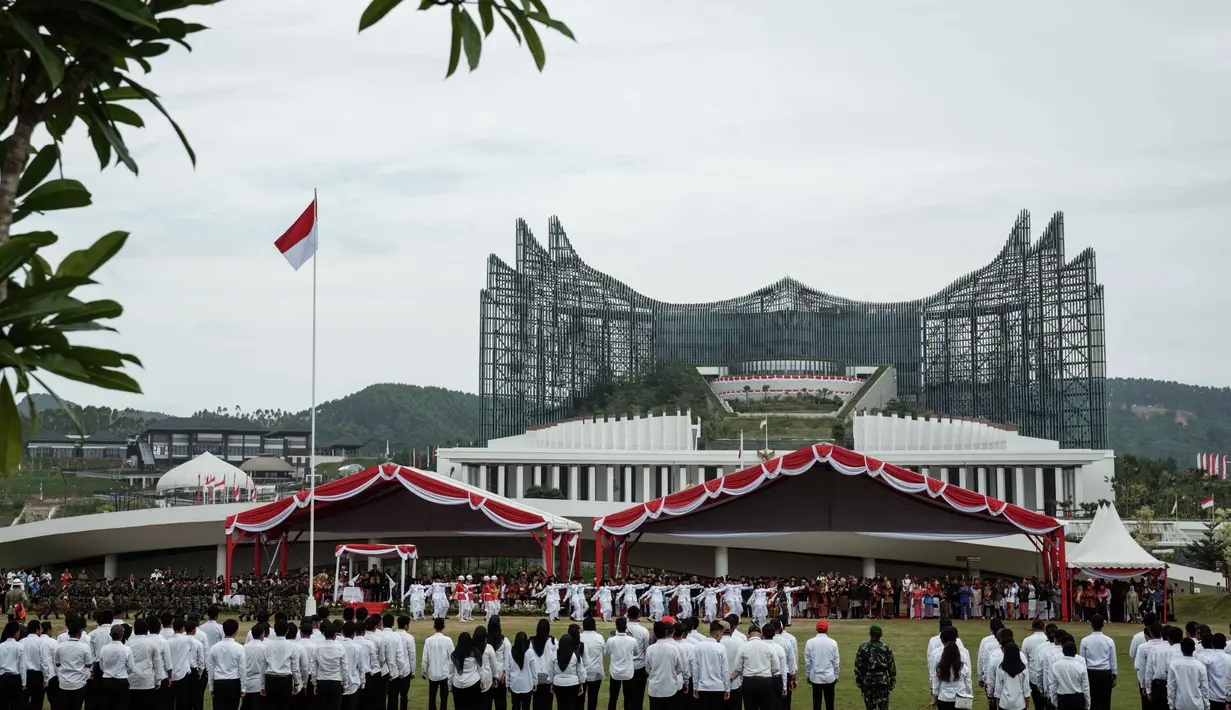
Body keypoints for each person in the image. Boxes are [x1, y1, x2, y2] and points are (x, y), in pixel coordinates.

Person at [730, 624, 785, 710]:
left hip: (749, 681)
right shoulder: (769, 647)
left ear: (749, 635)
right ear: (760, 634)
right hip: (765, 681)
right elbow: (776, 667)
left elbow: (738, 667)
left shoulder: (743, 647)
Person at [1078, 615, 1116, 710]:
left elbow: (1082, 660)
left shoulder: (1085, 641)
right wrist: (1114, 675)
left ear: (1091, 625)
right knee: (1105, 701)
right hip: (1105, 673)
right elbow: (1113, 660)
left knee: (1092, 701)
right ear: (1103, 625)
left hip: (1090, 672)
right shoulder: (1109, 640)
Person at [853, 625, 895, 710]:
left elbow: (858, 666)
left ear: (870, 634)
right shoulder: (886, 648)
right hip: (882, 682)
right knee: (883, 707)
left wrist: (859, 681)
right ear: (880, 635)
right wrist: (892, 680)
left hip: (868, 682)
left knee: (870, 707)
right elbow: (891, 666)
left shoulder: (862, 648)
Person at [690, 621, 730, 710]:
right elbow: (725, 670)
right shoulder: (721, 647)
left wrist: (695, 686)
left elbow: (695, 668)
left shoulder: (698, 646)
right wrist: (727, 688)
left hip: (703, 687)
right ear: (719, 633)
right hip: (717, 687)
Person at [53, 619, 92, 710]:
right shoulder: (84, 647)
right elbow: (89, 664)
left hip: (63, 684)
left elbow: (57, 663)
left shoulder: (60, 646)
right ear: (80, 634)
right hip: (78, 683)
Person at [128, 620, 167, 710]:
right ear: (147, 630)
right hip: (147, 681)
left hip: (131, 681)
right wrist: (158, 681)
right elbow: (157, 663)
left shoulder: (128, 643)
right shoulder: (152, 643)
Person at [207, 620, 245, 710]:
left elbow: (211, 669)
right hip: (233, 683)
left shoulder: (214, 648)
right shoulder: (239, 648)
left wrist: (211, 687)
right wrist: (243, 687)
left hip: (219, 682)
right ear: (236, 631)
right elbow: (242, 669)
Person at [931, 627, 972, 710]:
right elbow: (968, 680)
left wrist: (935, 696)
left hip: (944, 698)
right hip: (960, 696)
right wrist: (969, 695)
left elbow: (935, 681)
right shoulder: (964, 656)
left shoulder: (938, 660)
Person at [644, 623, 681, 710]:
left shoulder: (650, 649)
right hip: (669, 688)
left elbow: (647, 668)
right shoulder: (673, 648)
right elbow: (679, 668)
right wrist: (670, 674)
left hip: (655, 688)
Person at [803, 621, 838, 710]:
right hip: (829, 676)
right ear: (827, 630)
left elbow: (808, 662)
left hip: (815, 676)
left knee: (816, 703)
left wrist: (808, 675)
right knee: (830, 703)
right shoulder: (833, 643)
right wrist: (836, 675)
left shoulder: (810, 642)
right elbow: (836, 662)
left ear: (816, 629)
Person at [314, 621, 349, 710]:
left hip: (322, 681)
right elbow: (344, 668)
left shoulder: (318, 648)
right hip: (335, 681)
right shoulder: (340, 648)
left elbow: (313, 666)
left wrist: (314, 683)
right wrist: (345, 684)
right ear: (335, 635)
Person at [1047, 640, 1091, 710]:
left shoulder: (1055, 666)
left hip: (1063, 699)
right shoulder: (1080, 667)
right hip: (1078, 700)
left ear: (1063, 652)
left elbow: (1053, 685)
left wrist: (1054, 701)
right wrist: (1088, 703)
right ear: (1075, 652)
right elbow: (1085, 687)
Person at [422, 618, 455, 710]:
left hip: (433, 673)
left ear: (434, 626)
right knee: (444, 699)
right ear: (444, 626)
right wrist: (453, 673)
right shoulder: (448, 640)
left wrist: (423, 671)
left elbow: (425, 658)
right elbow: (453, 657)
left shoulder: (428, 640)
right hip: (444, 673)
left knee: (432, 698)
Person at [97, 626, 133, 710]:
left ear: (110, 635)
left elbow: (101, 665)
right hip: (121, 681)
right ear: (122, 634)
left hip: (107, 681)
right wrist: (123, 672)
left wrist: (107, 671)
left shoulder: (104, 649)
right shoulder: (126, 649)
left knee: (107, 705)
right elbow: (131, 667)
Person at [1167, 638, 1208, 710]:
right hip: (1197, 705)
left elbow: (1171, 686)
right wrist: (1207, 705)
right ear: (1193, 649)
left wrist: (1171, 704)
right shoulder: (1200, 666)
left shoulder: (1174, 664)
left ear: (1181, 649)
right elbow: (1204, 688)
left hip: (1180, 704)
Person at [605, 619, 636, 710]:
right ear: (626, 627)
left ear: (616, 627)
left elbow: (606, 653)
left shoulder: (611, 640)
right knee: (628, 698)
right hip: (628, 673)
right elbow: (636, 652)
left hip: (615, 672)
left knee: (613, 697)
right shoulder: (632, 640)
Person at [448, 633, 484, 710]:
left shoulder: (454, 655)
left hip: (458, 685)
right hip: (473, 684)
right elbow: (480, 669)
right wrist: (483, 681)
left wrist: (450, 685)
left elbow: (450, 672)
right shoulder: (475, 653)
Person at [988, 641, 1028, 710]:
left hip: (1004, 704)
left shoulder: (1001, 668)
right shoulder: (1024, 668)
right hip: (1019, 704)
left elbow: (998, 689)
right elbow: (1026, 689)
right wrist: (1027, 706)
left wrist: (997, 705)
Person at [525, 621, 555, 710]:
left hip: (535, 678)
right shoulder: (553, 641)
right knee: (548, 704)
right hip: (548, 678)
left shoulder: (530, 642)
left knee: (536, 703)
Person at [577, 618, 605, 710]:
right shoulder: (599, 637)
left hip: (582, 671)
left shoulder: (579, 637)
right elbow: (603, 653)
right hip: (596, 671)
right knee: (593, 697)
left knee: (580, 698)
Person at [505, 633, 536, 710]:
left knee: (515, 706)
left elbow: (508, 669)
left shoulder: (510, 653)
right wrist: (535, 682)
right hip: (527, 685)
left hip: (515, 684)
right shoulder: (530, 652)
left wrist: (507, 684)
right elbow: (533, 669)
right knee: (526, 707)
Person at [1202, 633, 1230, 710]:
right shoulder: (1229, 659)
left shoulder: (1207, 659)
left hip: (1213, 698)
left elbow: (1204, 679)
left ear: (1212, 644)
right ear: (1225, 644)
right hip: (1227, 698)